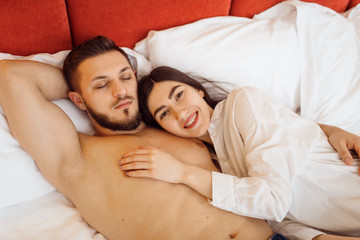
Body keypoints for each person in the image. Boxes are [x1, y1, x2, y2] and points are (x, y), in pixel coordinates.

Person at [0, 36, 275, 240]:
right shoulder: (75, 157)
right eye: (103, 84)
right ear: (77, 100)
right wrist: (79, 84)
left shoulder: (177, 124)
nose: (120, 92)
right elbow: (9, 76)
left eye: (125, 77)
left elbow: (268, 174)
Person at [120, 66, 360, 239]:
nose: (180, 113)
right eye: (164, 114)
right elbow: (277, 222)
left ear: (198, 90)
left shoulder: (242, 102)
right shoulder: (215, 164)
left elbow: (273, 201)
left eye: (180, 95)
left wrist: (182, 173)